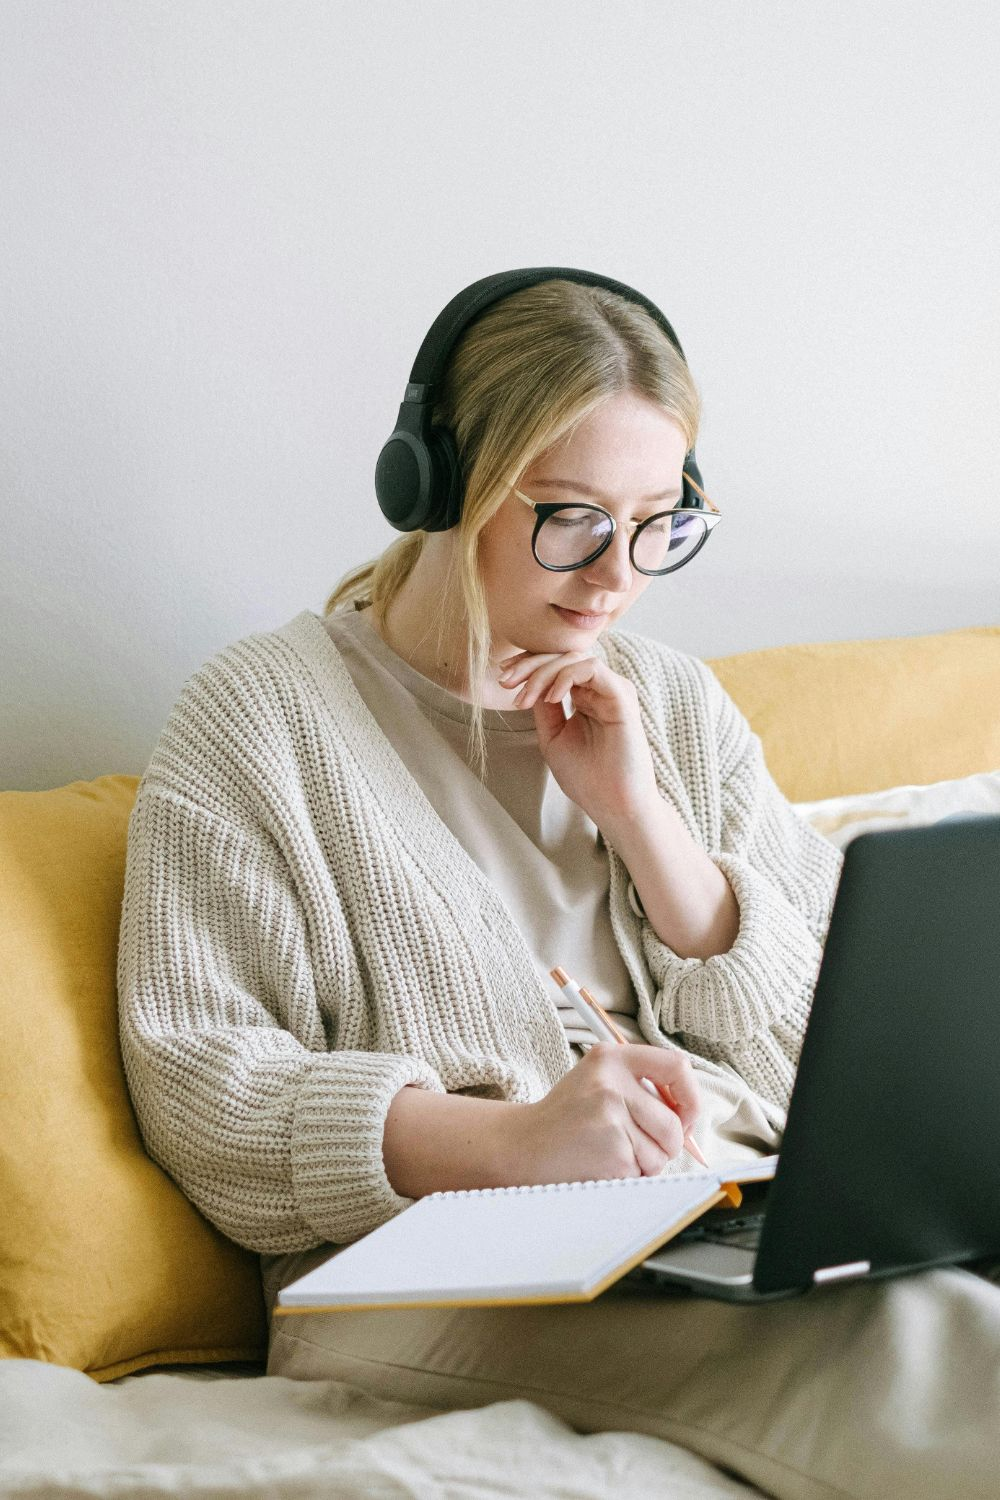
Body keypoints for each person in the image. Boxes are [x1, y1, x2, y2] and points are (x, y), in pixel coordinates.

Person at [117, 270, 1000, 1500]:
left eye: (656, 525)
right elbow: (203, 1086)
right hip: (429, 1277)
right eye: (574, 518)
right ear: (439, 485)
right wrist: (518, 1141)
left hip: (737, 1220)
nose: (615, 578)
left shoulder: (671, 703)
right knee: (938, 1361)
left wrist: (648, 826)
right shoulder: (261, 718)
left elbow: (843, 1053)